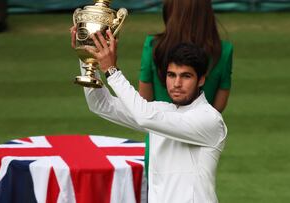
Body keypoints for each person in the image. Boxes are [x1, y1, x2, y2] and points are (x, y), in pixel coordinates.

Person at [71, 28, 227, 202]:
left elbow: (144, 116)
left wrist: (112, 72)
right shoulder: (161, 111)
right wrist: (88, 58)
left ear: (202, 79)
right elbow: (101, 104)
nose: (176, 83)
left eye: (186, 76)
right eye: (171, 75)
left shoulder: (209, 119)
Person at [138, 0, 234, 177]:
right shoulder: (224, 51)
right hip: (198, 145)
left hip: (158, 145)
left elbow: (144, 100)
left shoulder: (153, 46)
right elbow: (218, 105)